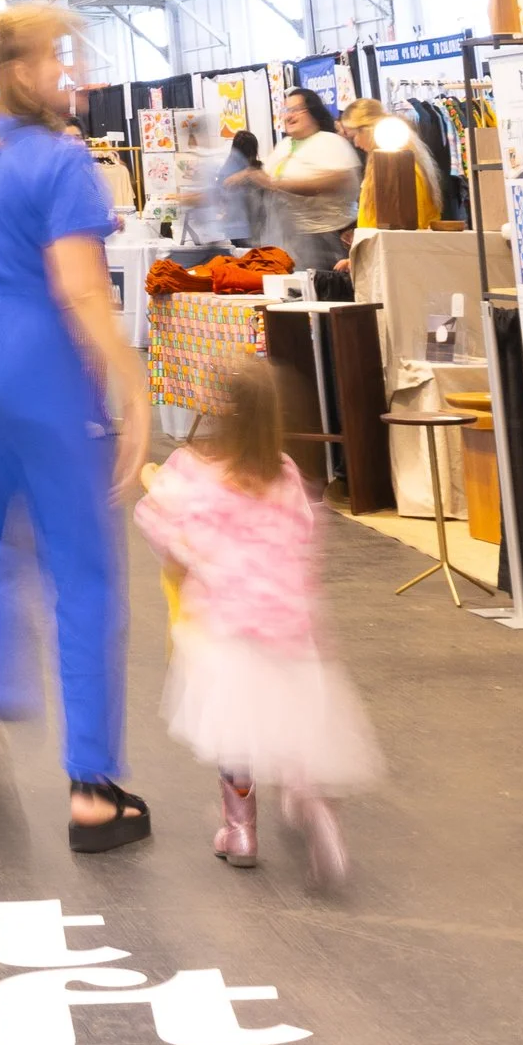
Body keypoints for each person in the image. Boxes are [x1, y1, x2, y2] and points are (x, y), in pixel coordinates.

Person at [0, 1, 155, 852]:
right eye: (60, 58)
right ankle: (93, 787)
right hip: (43, 366)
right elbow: (81, 290)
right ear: (21, 68)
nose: (72, 73)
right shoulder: (65, 165)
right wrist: (132, 389)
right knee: (84, 572)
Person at [134, 354, 383, 884]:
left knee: (236, 732)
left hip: (224, 628)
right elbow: (303, 540)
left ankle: (240, 829)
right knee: (294, 724)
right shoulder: (288, 476)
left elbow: (159, 526)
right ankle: (315, 808)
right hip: (290, 626)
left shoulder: (190, 473)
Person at [242, 85, 361, 266]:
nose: (289, 116)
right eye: (286, 110)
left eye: (296, 110)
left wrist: (278, 184)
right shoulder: (284, 145)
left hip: (327, 239)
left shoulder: (330, 142)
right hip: (291, 238)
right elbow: (267, 178)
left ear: (312, 112)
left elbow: (340, 180)